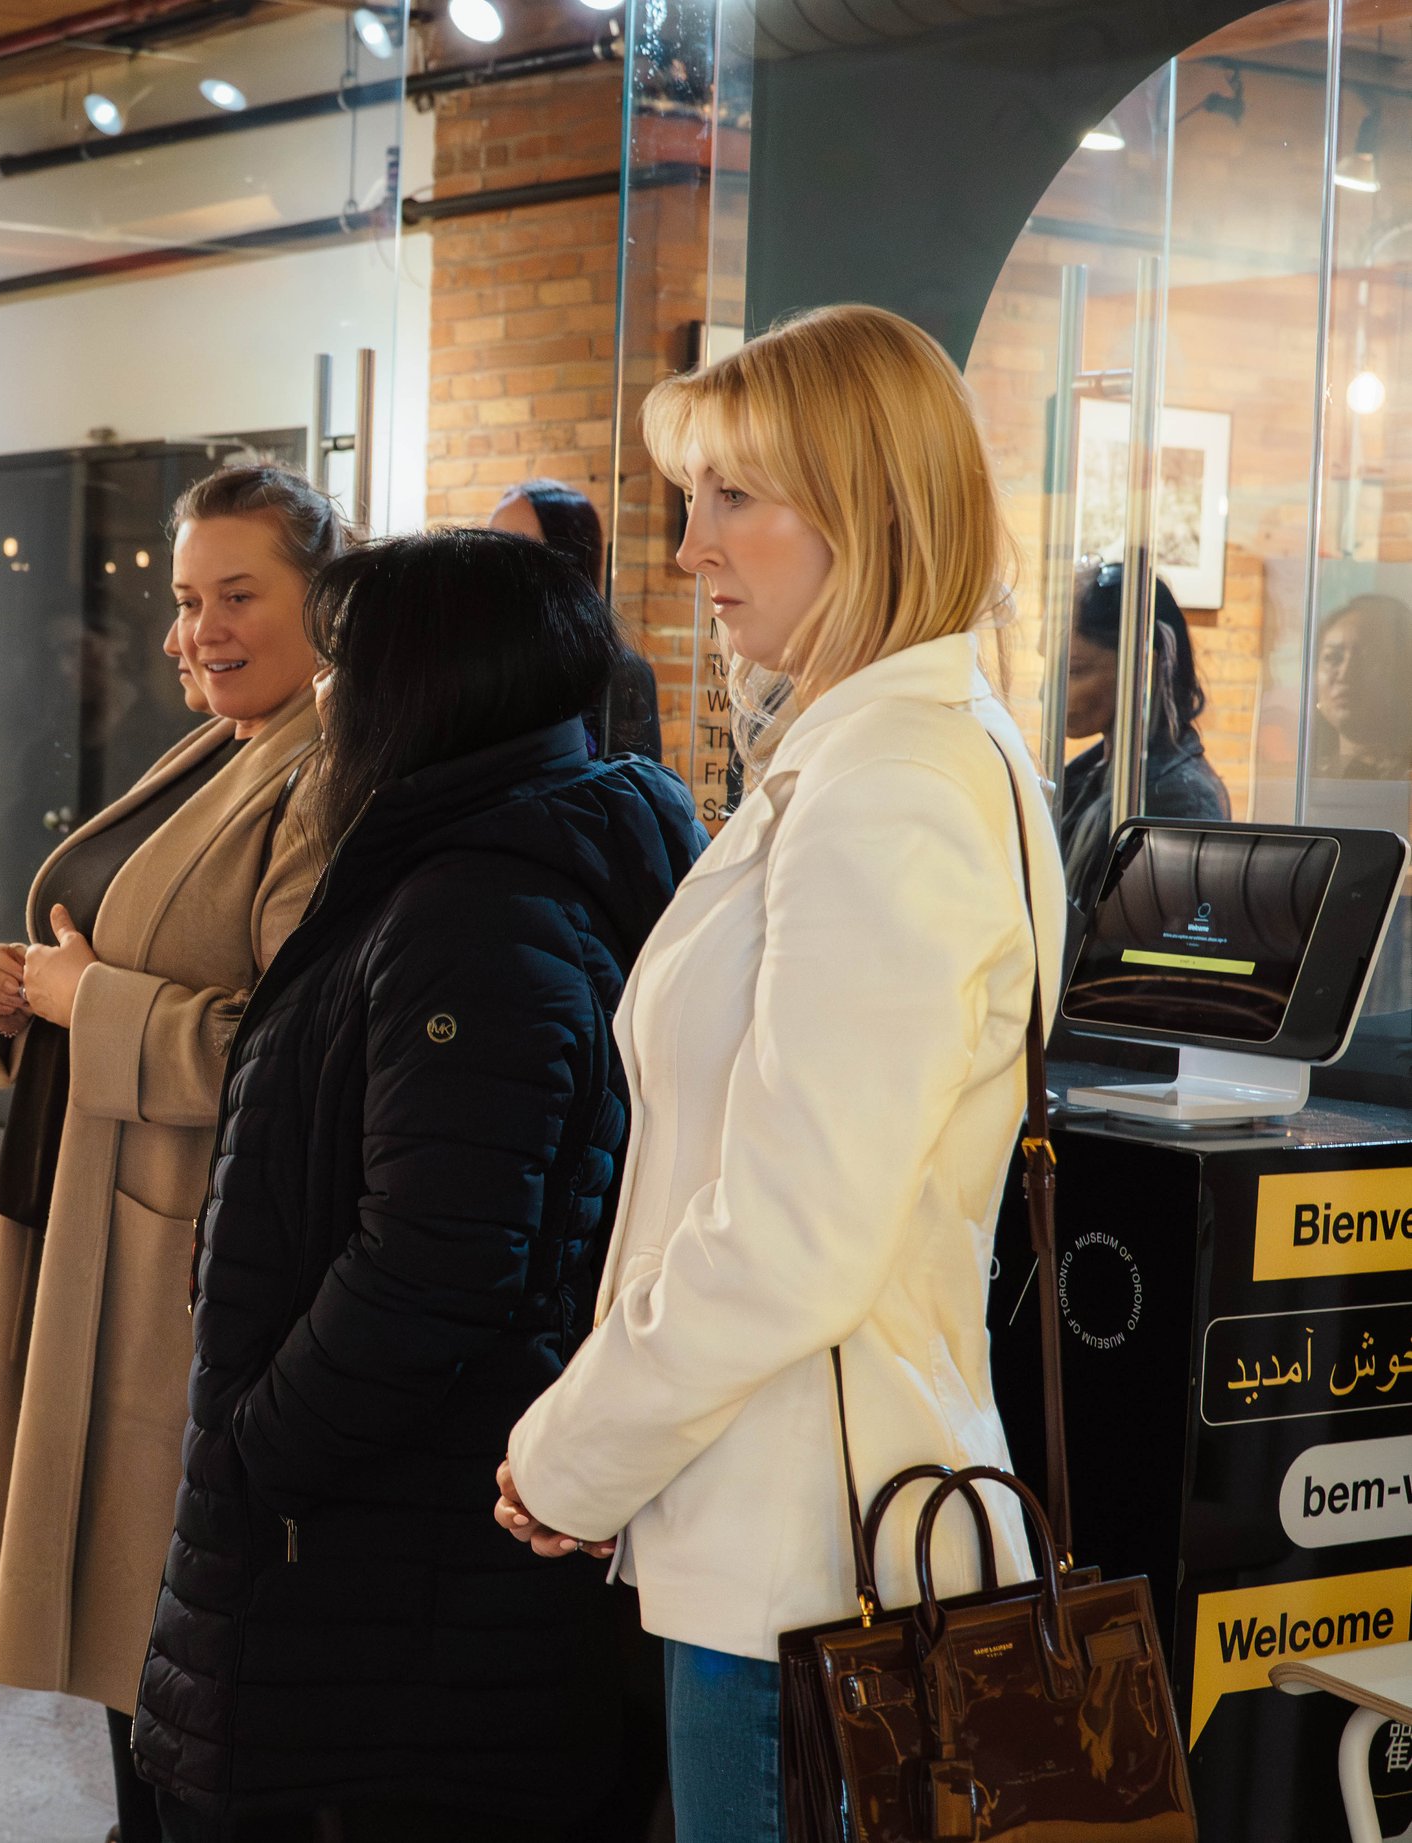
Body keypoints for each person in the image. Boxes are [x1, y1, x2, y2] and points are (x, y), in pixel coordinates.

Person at [493, 305, 1067, 1843]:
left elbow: (792, 1230)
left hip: (812, 1557)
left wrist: (574, 1447)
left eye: (734, 497)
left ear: (870, 506)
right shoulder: (887, 753)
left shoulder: (888, 786)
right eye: (694, 502)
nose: (690, 550)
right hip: (805, 1522)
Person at [131, 529, 700, 1842]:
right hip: (403, 1551)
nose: (328, 702)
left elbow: (440, 1259)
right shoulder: (489, 861)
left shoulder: (477, 907)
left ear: (420, 687)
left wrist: (258, 1449)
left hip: (393, 1563)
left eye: (348, 668)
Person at [0, 462, 344, 1843]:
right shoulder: (230, 743)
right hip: (90, 1212)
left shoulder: (324, 770)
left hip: (176, 1243)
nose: (200, 629)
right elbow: (108, 953)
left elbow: (288, 1051)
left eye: (239, 595)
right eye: (187, 599)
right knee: (119, 1612)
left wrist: (89, 1002)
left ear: (325, 599)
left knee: (149, 1603)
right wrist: (22, 995)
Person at [1054, 560, 1227, 904]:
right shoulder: (1092, 777)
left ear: (1141, 668)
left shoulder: (1178, 802)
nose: (1050, 691)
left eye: (1074, 670)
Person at [489, 479, 664, 760]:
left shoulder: (618, 671)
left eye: (517, 550)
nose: (495, 566)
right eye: (491, 545)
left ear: (566, 563)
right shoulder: (481, 661)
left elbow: (637, 788)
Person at [1310, 593, 1412, 780]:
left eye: (1369, 658)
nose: (1345, 675)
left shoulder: (1405, 784)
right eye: (1332, 658)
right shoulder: (1305, 778)